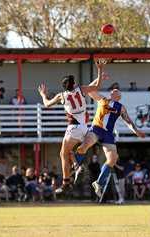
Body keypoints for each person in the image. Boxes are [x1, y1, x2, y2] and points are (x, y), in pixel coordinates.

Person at [37, 60, 106, 194]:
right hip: (85, 128)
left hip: (73, 128)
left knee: (63, 153)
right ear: (73, 84)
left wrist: (43, 95)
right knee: (69, 152)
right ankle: (76, 166)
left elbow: (46, 104)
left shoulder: (62, 95)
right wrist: (100, 69)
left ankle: (65, 183)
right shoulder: (81, 90)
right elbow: (97, 85)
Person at [75, 88, 145, 198]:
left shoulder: (120, 107)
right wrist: (99, 78)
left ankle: (98, 183)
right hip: (97, 129)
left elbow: (128, 121)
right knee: (83, 147)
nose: (113, 91)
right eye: (112, 90)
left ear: (119, 96)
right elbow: (89, 90)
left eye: (116, 90)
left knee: (113, 159)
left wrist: (136, 131)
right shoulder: (102, 99)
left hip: (108, 134)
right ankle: (76, 167)